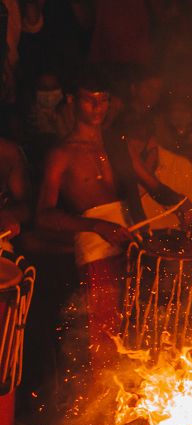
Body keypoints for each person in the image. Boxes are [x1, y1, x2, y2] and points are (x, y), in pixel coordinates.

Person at [36, 70, 134, 378]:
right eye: (89, 100)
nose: (97, 107)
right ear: (72, 101)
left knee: (133, 329)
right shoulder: (62, 153)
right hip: (95, 255)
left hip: (130, 247)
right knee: (103, 336)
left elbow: (145, 187)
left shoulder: (116, 145)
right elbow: (43, 215)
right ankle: (101, 408)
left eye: (102, 100)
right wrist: (96, 226)